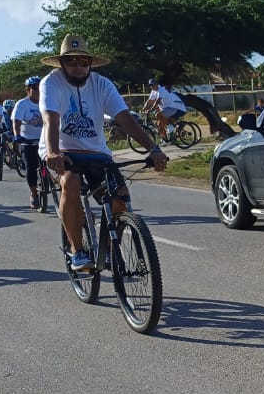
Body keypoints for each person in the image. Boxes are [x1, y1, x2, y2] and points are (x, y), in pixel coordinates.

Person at [38, 34, 167, 272]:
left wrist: (154, 149)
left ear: (90, 63)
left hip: (96, 153)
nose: (78, 67)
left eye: (83, 62)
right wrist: (53, 153)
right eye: (71, 62)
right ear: (62, 64)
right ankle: (77, 251)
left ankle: (109, 244)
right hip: (62, 151)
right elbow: (51, 119)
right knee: (71, 182)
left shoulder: (102, 84)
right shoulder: (51, 83)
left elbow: (125, 118)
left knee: (119, 197)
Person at [12, 76, 45, 209]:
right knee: (31, 167)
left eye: (40, 89)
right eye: (35, 89)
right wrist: (17, 135)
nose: (38, 91)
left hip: (44, 140)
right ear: (28, 90)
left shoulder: (47, 102)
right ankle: (33, 193)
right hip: (27, 141)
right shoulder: (22, 104)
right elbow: (16, 122)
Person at [139, 77, 188, 145]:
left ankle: (170, 126)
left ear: (156, 84)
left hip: (171, 107)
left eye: (153, 84)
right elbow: (149, 100)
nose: (152, 86)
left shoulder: (161, 90)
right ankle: (165, 140)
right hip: (165, 108)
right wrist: (144, 108)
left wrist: (152, 108)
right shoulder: (153, 91)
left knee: (158, 115)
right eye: (151, 85)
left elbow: (157, 100)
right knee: (159, 125)